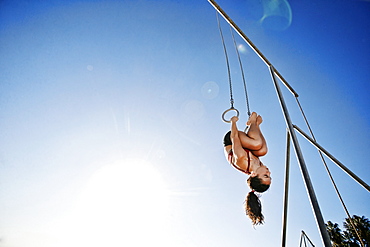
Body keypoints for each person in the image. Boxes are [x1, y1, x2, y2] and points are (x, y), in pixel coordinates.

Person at [223, 112, 271, 225]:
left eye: (265, 175)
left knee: (257, 144)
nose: (269, 172)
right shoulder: (258, 165)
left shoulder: (241, 159)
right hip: (246, 145)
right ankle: (256, 124)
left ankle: (253, 122)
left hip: (232, 140)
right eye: (269, 176)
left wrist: (233, 121)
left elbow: (234, 137)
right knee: (263, 150)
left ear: (254, 174)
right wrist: (257, 129)